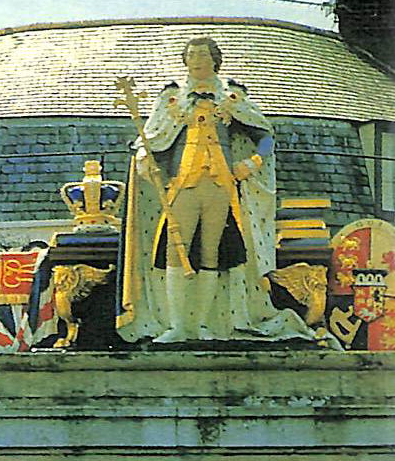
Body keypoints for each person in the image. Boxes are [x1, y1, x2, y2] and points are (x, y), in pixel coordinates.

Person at [116, 35, 314, 343]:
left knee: (211, 251)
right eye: (191, 55)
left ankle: (202, 324)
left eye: (202, 55)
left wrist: (252, 163)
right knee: (176, 248)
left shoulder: (232, 96)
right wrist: (144, 157)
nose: (196, 60)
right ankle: (178, 325)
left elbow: (265, 136)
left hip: (221, 186)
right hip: (183, 184)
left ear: (214, 60)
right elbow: (152, 137)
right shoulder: (172, 97)